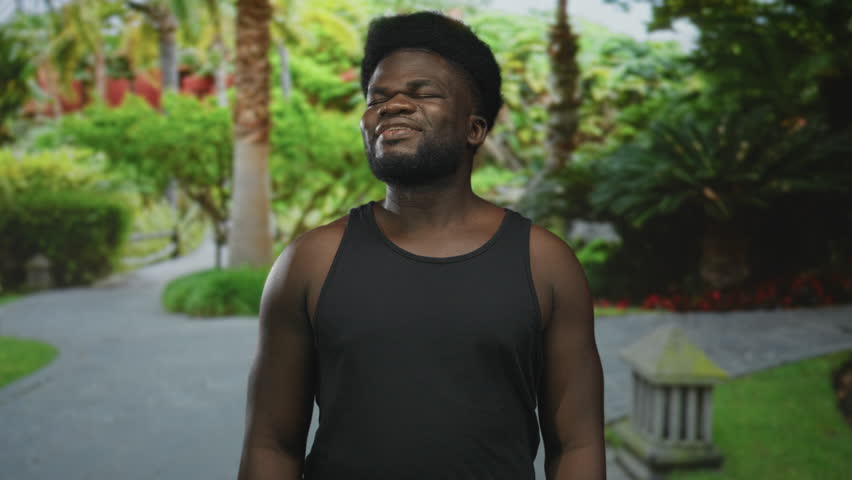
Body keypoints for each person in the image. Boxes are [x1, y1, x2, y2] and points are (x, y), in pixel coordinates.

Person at [237, 11, 605, 480]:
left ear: (476, 129)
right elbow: (271, 444)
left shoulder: (545, 263)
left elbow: (578, 444)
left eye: (422, 93)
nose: (391, 106)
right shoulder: (310, 262)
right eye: (377, 98)